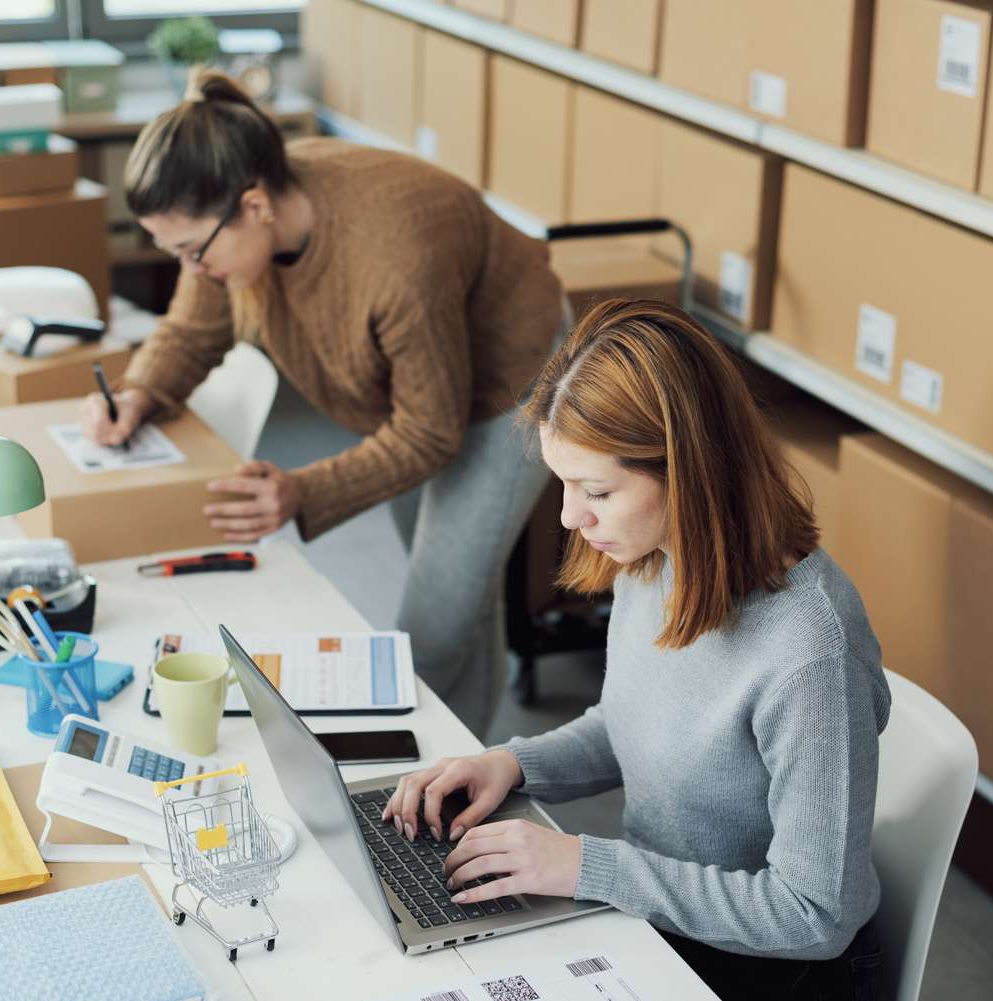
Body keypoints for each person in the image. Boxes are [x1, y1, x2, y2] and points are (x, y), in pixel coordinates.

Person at [382, 299, 891, 1000]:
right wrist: (510, 763)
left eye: (596, 489)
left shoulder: (811, 654)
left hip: (773, 969)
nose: (568, 516)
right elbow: (634, 725)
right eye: (564, 483)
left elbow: (814, 914)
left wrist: (585, 867)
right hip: (666, 923)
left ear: (689, 472)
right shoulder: (658, 559)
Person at [81, 70, 570, 737]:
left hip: (509, 376)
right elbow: (192, 328)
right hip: (411, 389)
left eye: (193, 250)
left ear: (254, 206)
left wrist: (302, 492)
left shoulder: (392, 262)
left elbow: (429, 432)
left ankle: (444, 786)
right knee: (459, 591)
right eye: (174, 252)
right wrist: (139, 391)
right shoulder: (238, 210)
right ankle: (471, 757)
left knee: (433, 623)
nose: (189, 269)